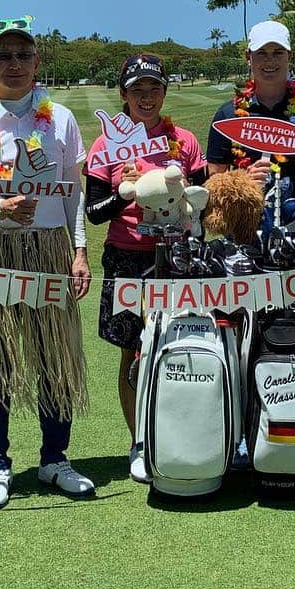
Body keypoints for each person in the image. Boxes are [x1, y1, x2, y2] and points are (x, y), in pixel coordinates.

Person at [0, 14, 93, 510]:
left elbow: (72, 193)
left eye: (23, 54)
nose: (14, 64)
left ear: (37, 61)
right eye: (3, 55)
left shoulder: (62, 119)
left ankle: (55, 459)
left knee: (56, 357)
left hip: (51, 248)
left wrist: (78, 251)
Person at [206, 19, 295, 470]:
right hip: (245, 237)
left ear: (288, 57)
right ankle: (247, 437)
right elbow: (212, 178)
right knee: (245, 336)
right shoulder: (228, 114)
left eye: (277, 53)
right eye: (261, 54)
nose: (269, 61)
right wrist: (243, 179)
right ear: (249, 59)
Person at [84, 54, 206, 483]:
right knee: (131, 352)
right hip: (127, 257)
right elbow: (94, 213)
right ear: (123, 95)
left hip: (179, 258)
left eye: (154, 89)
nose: (146, 97)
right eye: (137, 90)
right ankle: (138, 443)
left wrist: (187, 203)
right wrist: (125, 194)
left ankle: (182, 434)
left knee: (185, 347)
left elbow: (202, 199)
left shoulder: (185, 141)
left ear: (164, 92)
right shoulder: (105, 147)